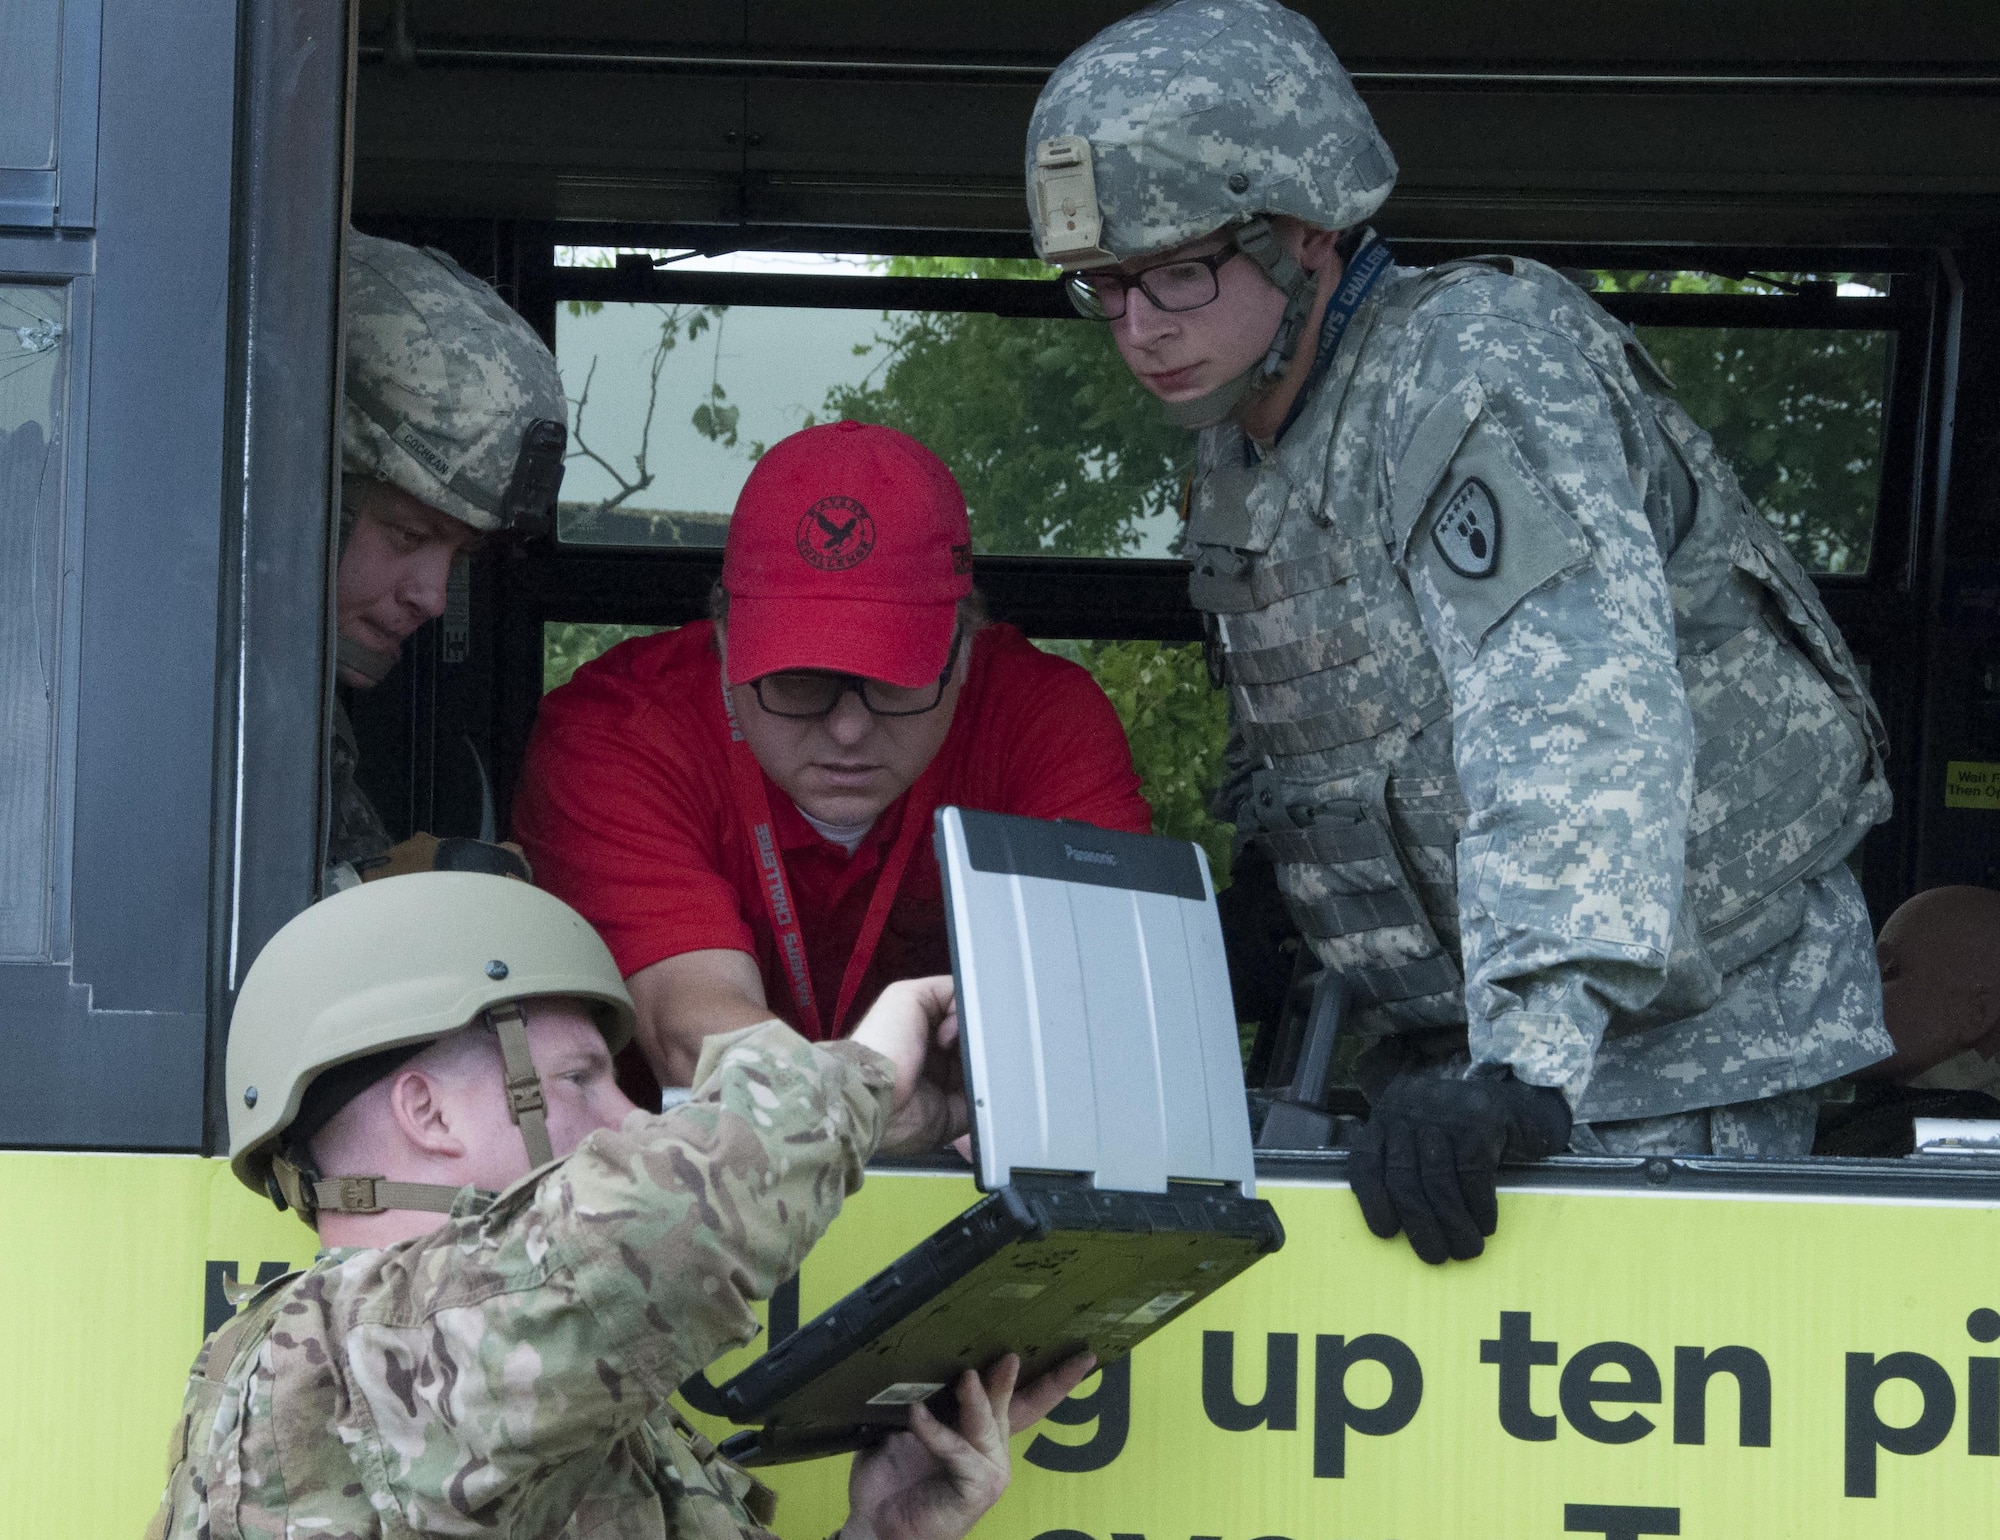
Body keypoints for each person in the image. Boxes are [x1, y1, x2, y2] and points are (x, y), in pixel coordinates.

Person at [1025, 0, 1893, 1262]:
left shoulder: (1469, 360)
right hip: (1459, 1064)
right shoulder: (1248, 431)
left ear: (1304, 233)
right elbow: (1328, 743)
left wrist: (1525, 1058)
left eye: (1175, 271)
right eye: (1100, 287)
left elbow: (1567, 698)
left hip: (1666, 1059)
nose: (1137, 326)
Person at [137, 871, 1089, 1540]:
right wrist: (864, 1075)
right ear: (428, 1114)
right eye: (583, 1079)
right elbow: (678, 1225)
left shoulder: (518, 1389)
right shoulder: (336, 1366)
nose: (632, 1121)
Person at [513, 419, 1152, 1091]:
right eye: (799, 680)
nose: (848, 729)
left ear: (964, 652)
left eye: (894, 678)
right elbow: (692, 1030)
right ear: (725, 644)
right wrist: (880, 1101)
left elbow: (1100, 1005)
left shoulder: (1040, 718)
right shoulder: (622, 729)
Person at [327, 229, 569, 891]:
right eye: (407, 535)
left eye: (459, 555)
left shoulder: (299, 715)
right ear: (307, 497)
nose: (433, 597)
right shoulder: (149, 683)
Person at [1817, 886, 2000, 1155]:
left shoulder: (1953, 1139)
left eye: (1890, 971)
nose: (1854, 988)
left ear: (1977, 1017)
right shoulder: (1907, 1113)